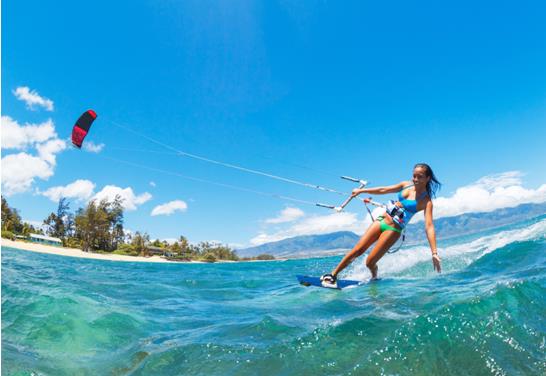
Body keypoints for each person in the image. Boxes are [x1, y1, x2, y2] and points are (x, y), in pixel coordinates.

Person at [321, 163, 442, 284]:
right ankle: (333, 275)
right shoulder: (406, 185)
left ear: (428, 178)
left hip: (393, 230)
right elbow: (384, 189)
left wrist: (434, 253)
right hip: (382, 220)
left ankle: (374, 276)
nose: (415, 179)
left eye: (419, 176)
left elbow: (429, 226)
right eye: (414, 176)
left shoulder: (426, 201)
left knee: (369, 262)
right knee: (357, 250)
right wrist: (362, 190)